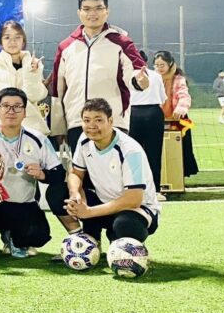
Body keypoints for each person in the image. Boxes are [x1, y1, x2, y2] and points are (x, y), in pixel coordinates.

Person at [0, 87, 79, 262]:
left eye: (17, 107)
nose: (11, 111)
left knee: (38, 236)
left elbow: (59, 174)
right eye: (6, 106)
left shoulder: (38, 139)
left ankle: (13, 237)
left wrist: (43, 174)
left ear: (25, 112)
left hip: (22, 205)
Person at [49, 0, 148, 150]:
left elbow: (136, 71)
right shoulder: (66, 46)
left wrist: (140, 81)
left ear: (107, 11)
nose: (92, 13)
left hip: (111, 121)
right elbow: (57, 90)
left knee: (113, 166)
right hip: (77, 122)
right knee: (80, 166)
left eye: (98, 8)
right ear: (79, 13)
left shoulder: (122, 43)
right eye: (87, 9)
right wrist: (59, 127)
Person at [66, 98, 161, 245]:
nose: (92, 126)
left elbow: (134, 199)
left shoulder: (130, 150)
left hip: (138, 209)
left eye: (98, 120)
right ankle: (88, 240)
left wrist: (88, 212)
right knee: (59, 193)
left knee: (125, 225)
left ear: (110, 121)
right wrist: (75, 195)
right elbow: (75, 173)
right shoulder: (84, 139)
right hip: (104, 203)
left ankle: (123, 242)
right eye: (86, 120)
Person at [0, 20, 48, 135]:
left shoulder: (33, 65)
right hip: (1, 132)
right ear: (0, 42)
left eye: (17, 37)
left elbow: (35, 96)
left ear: (23, 41)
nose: (12, 41)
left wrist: (33, 75)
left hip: (32, 131)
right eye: (7, 37)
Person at [155, 51, 200, 179]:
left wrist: (181, 108)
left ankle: (178, 179)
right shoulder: (153, 78)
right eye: (157, 65)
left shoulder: (179, 79)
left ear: (170, 64)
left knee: (180, 151)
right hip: (158, 119)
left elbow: (184, 95)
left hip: (177, 119)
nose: (159, 68)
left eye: (162, 65)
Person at [128, 52, 166, 200]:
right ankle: (155, 190)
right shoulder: (156, 75)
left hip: (133, 114)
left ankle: (133, 189)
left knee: (131, 153)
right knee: (154, 152)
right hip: (154, 113)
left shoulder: (126, 75)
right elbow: (162, 98)